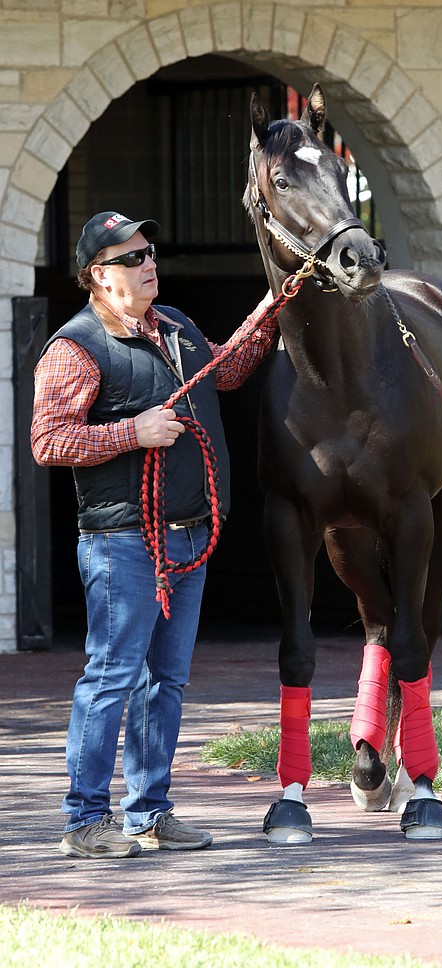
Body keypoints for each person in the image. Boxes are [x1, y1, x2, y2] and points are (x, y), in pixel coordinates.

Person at [32, 211, 279, 859]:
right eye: (131, 258)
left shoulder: (177, 327)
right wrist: (129, 433)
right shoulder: (75, 348)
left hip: (188, 538)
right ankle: (85, 821)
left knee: (163, 680)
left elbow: (226, 371)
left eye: (149, 251)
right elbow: (48, 441)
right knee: (111, 677)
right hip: (121, 543)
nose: (148, 264)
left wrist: (274, 300)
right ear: (96, 276)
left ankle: (148, 812)